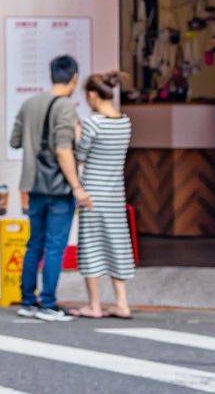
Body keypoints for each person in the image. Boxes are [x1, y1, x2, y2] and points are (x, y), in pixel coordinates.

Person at [11, 53, 89, 321]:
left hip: (32, 184)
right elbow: (63, 150)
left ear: (51, 75)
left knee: (35, 243)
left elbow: (15, 141)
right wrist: (77, 186)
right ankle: (48, 303)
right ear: (74, 78)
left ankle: (28, 300)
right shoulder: (66, 107)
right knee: (55, 246)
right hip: (58, 189)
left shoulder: (29, 104)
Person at [67, 73, 134, 319]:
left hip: (92, 193)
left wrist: (77, 132)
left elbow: (81, 154)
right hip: (115, 194)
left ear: (93, 95)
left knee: (92, 248)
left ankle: (94, 305)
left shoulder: (93, 123)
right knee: (118, 246)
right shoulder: (125, 123)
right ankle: (122, 303)